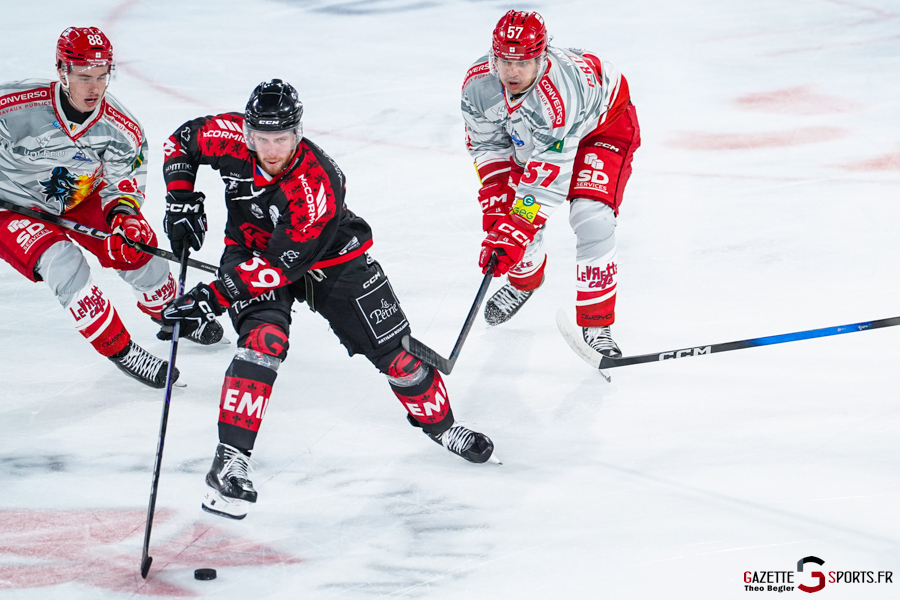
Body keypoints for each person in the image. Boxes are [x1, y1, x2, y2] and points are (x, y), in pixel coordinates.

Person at [159, 79, 496, 520]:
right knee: (264, 341)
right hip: (251, 250)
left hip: (329, 257)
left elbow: (278, 268)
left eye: (281, 139)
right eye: (261, 138)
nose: (271, 149)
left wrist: (214, 296)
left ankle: (444, 427)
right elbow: (181, 142)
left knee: (401, 359)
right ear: (247, 132)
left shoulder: (315, 184)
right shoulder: (228, 136)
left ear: (298, 134)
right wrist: (180, 198)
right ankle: (231, 461)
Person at [0, 27, 223, 389]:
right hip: (11, 206)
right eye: (84, 77)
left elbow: (123, 182)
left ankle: (168, 314)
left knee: (140, 250)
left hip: (79, 196)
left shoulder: (120, 128)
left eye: (102, 77)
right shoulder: (18, 105)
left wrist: (124, 218)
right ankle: (121, 349)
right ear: (62, 71)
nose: (94, 88)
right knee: (62, 262)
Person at [461, 10, 641, 357]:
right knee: (506, 219)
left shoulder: (559, 94)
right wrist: (499, 204)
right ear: (493, 55)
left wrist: (516, 226)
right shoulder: (477, 85)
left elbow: (545, 182)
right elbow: (486, 144)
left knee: (591, 217)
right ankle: (525, 282)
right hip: (536, 133)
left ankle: (597, 324)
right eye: (504, 61)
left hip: (602, 125)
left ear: (541, 58)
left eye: (523, 62)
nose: (512, 72)